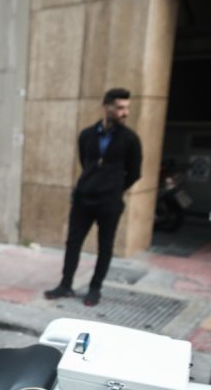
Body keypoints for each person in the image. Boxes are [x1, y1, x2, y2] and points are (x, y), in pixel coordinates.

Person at [44, 88, 142, 306]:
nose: (125, 113)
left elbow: (135, 173)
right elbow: (85, 163)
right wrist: (92, 182)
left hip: (109, 203)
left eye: (127, 108)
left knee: (105, 247)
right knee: (73, 243)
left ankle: (95, 289)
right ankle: (65, 284)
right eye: (120, 108)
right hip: (83, 199)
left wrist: (114, 188)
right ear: (106, 107)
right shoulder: (87, 135)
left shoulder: (130, 139)